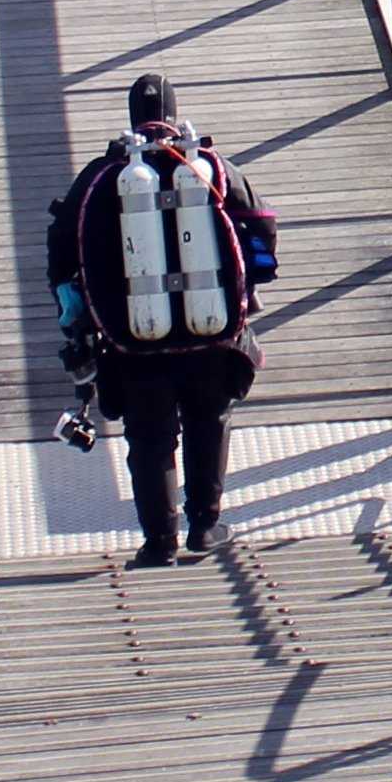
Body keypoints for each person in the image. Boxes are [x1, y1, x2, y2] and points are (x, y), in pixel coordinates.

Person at [46, 73, 273, 568]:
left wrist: (72, 309)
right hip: (210, 332)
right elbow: (260, 227)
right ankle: (205, 527)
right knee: (207, 421)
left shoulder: (103, 174)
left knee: (149, 437)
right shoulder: (209, 166)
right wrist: (250, 287)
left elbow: (62, 245)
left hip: (132, 337)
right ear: (173, 114)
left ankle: (158, 543)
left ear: (132, 117)